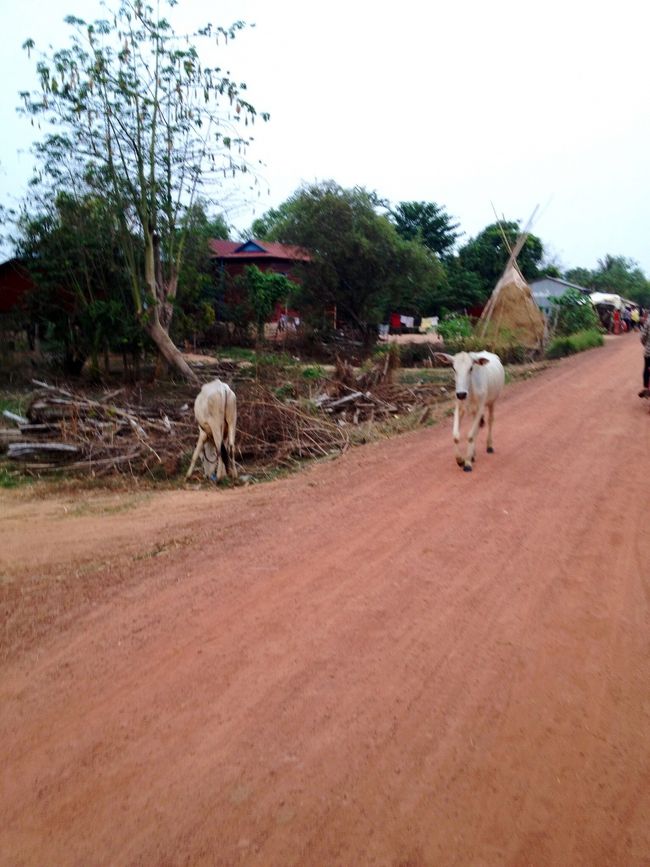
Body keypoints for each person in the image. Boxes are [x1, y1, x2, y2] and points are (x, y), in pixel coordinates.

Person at [639, 315, 650, 397]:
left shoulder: (648, 321)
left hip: (649, 352)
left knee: (647, 368)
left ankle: (646, 387)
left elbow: (642, 337)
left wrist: (646, 345)